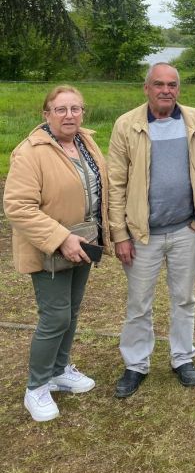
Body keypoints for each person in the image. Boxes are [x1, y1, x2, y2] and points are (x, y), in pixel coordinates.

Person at [3, 85, 111, 422]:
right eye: (61, 109)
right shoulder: (30, 152)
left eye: (75, 108)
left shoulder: (85, 142)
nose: (69, 115)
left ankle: (60, 369)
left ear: (83, 112)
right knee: (55, 317)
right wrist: (60, 238)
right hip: (51, 248)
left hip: (84, 243)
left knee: (73, 311)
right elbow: (18, 207)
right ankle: (36, 386)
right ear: (46, 114)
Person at [108, 63, 195, 398]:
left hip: (185, 229)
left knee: (184, 298)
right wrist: (119, 233)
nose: (165, 90)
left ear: (178, 89)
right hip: (142, 234)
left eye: (172, 85)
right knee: (139, 302)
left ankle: (182, 358)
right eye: (158, 84)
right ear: (146, 88)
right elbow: (115, 184)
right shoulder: (126, 125)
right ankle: (136, 364)